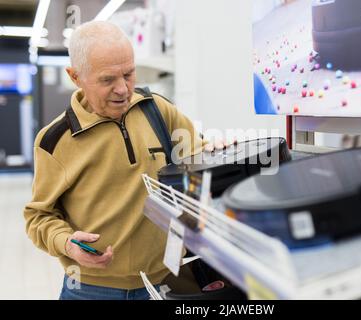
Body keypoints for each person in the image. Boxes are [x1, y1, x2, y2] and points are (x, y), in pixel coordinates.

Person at [23, 21, 221, 300]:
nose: (123, 89)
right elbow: (38, 217)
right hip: (90, 290)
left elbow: (200, 156)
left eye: (129, 74)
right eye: (107, 80)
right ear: (75, 76)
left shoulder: (158, 110)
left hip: (165, 282)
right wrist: (66, 243)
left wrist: (220, 151)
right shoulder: (55, 141)